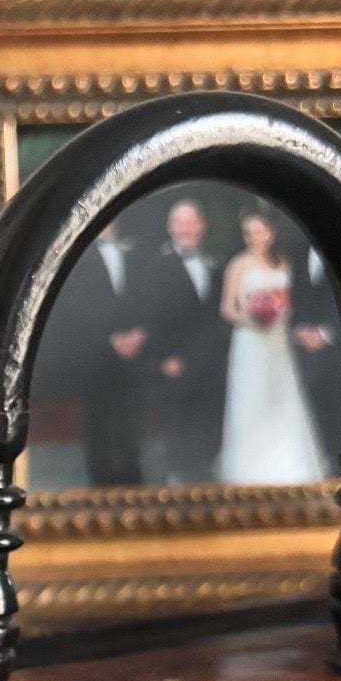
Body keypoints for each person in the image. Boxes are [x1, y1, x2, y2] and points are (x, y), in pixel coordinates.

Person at [216, 204, 326, 484]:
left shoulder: (284, 263)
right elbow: (227, 308)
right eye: (248, 233)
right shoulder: (238, 264)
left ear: (271, 232)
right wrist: (253, 319)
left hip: (278, 342)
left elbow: (291, 303)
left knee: (282, 398)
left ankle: (288, 466)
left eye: (259, 231)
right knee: (251, 398)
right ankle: (248, 471)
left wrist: (278, 314)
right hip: (249, 341)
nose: (254, 237)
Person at [43, 221, 149, 484]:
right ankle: (101, 483)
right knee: (98, 421)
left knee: (130, 418)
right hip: (95, 352)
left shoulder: (135, 251)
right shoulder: (78, 254)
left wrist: (139, 333)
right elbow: (74, 306)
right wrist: (109, 339)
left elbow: (147, 297)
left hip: (134, 353)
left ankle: (132, 482)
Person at [142, 197, 229, 482]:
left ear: (201, 226)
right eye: (179, 222)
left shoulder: (215, 264)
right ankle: (179, 482)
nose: (185, 228)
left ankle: (205, 474)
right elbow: (151, 316)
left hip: (210, 362)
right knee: (179, 421)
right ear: (170, 227)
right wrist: (162, 359)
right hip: (175, 362)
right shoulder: (154, 267)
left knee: (209, 417)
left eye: (191, 222)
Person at [289, 245, 341, 473]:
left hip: (339, 351)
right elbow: (296, 297)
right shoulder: (298, 255)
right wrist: (297, 330)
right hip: (305, 354)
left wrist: (326, 333)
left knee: (340, 414)